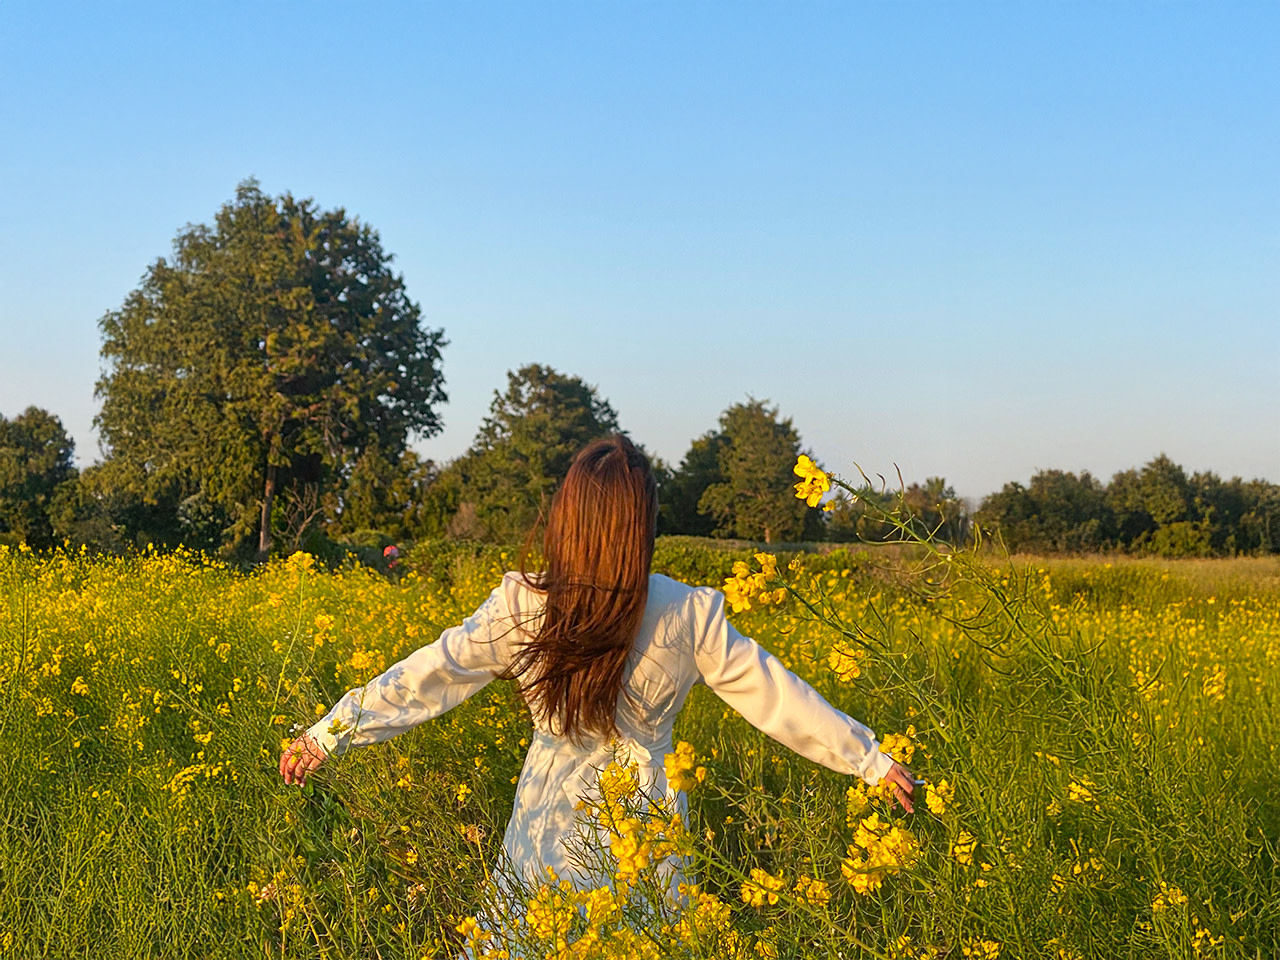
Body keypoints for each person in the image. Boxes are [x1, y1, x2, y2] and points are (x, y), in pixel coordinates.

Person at [279, 434, 915, 896]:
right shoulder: (688, 612)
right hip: (651, 822)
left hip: (544, 814)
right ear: (642, 523)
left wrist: (328, 733)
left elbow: (430, 674)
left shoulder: (523, 601)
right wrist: (870, 759)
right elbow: (777, 698)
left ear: (569, 517)